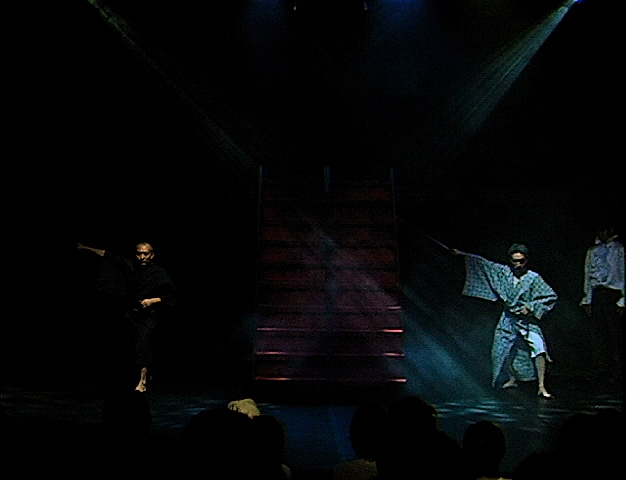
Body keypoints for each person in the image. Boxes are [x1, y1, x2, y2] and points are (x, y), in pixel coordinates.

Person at [453, 244, 557, 398]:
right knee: (503, 348)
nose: (518, 265)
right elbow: (483, 263)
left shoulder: (533, 278)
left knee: (539, 348)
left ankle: (541, 386)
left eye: (521, 261)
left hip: (527, 320)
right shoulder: (503, 273)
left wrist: (531, 307)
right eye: (515, 261)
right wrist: (462, 254)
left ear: (526, 261)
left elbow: (550, 296)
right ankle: (512, 378)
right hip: (508, 317)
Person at [77, 240, 178, 390]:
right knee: (129, 346)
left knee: (143, 344)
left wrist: (152, 300)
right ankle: (135, 376)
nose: (142, 257)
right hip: (131, 314)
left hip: (149, 316)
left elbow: (172, 296)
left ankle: (142, 382)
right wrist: (85, 248)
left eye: (145, 254)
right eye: (139, 254)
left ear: (152, 255)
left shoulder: (158, 273)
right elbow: (109, 256)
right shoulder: (131, 267)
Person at [579, 226, 625, 385]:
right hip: (598, 294)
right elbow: (588, 275)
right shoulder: (593, 251)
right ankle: (600, 370)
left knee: (615, 335)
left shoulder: (620, 250)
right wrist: (588, 299)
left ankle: (618, 370)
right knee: (598, 335)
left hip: (614, 294)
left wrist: (623, 300)